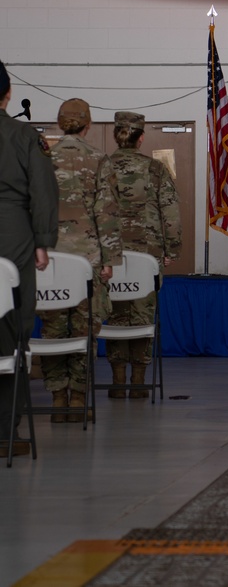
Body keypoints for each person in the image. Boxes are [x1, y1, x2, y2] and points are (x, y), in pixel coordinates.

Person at [38, 99, 122, 417]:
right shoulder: (99, 159)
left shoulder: (43, 158)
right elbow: (107, 215)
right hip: (89, 260)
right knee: (85, 329)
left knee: (53, 330)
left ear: (61, 124)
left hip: (50, 258)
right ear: (87, 126)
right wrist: (110, 260)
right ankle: (79, 400)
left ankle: (58, 399)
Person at [0, 58, 58, 456]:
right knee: (12, 330)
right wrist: (42, 241)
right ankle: (7, 433)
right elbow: (42, 191)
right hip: (13, 231)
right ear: (7, 94)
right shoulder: (23, 135)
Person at [105, 111, 181, 398]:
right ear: (141, 138)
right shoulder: (156, 170)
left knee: (115, 315)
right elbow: (171, 213)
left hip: (111, 256)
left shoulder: (104, 167)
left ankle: (116, 379)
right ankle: (138, 381)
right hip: (147, 256)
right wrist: (172, 249)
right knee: (142, 316)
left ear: (117, 135)